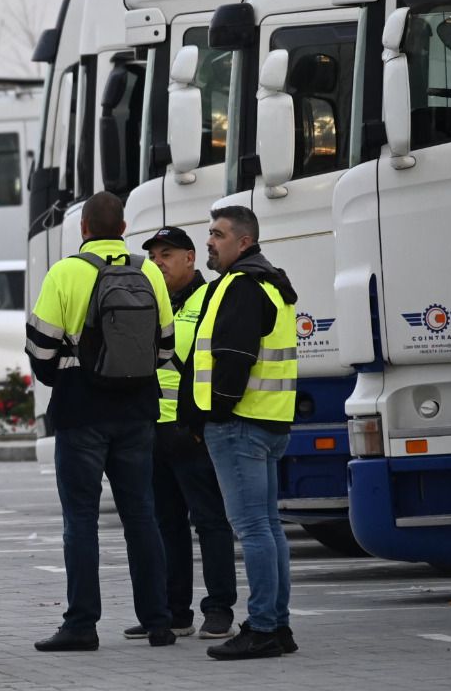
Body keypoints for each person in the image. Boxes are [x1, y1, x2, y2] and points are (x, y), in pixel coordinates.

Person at [25, 191, 177, 652]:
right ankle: (158, 621)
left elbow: (40, 348)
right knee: (142, 517)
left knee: (81, 519)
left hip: (80, 412)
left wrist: (66, 374)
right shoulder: (148, 270)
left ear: (83, 229)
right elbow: (166, 347)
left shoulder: (66, 271)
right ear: (125, 228)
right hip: (137, 412)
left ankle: (81, 624)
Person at [118, 226, 237, 642]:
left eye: (167, 254)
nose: (158, 262)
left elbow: (222, 362)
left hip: (194, 430)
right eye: (153, 256)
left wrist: (207, 421)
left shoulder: (213, 297)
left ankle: (219, 608)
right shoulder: (149, 301)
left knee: (210, 521)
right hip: (153, 429)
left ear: (190, 257)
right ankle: (174, 611)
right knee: (165, 523)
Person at [192, 205, 299, 660]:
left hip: (239, 426)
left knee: (254, 529)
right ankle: (277, 625)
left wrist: (215, 413)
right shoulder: (273, 284)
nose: (209, 243)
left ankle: (262, 626)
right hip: (270, 421)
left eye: (218, 235)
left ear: (244, 242)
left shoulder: (241, 286)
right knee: (269, 527)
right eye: (210, 233)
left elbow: (233, 358)